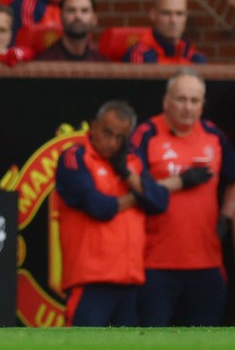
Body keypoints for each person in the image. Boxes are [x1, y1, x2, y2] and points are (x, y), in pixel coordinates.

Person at [130, 69, 235, 326]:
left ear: (203, 105)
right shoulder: (147, 133)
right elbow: (132, 185)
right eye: (181, 99)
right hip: (155, 262)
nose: (188, 107)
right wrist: (179, 183)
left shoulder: (214, 135)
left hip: (206, 263)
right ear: (166, 101)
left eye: (194, 101)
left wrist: (226, 216)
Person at [55, 101, 168, 326]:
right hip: (91, 279)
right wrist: (137, 197)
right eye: (107, 133)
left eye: (120, 137)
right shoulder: (75, 157)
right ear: (94, 126)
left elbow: (160, 201)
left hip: (129, 279)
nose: (112, 142)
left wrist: (125, 173)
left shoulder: (131, 164)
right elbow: (98, 207)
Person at [123, 0, 206, 64]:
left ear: (186, 16)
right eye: (166, 13)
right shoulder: (139, 55)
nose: (173, 20)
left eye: (179, 14)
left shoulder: (193, 56)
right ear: (153, 15)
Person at [36, 0, 106, 61]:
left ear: (94, 19)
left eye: (84, 11)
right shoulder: (45, 61)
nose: (78, 16)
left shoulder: (100, 63)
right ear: (61, 16)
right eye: (71, 10)